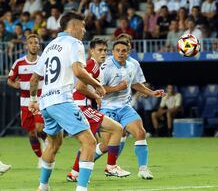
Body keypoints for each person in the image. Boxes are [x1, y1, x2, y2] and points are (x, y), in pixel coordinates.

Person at [29, 11, 105, 191]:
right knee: (89, 142)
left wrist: (33, 101)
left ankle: (43, 186)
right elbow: (78, 71)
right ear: (73, 26)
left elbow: (34, 79)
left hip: (46, 103)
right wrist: (98, 85)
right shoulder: (75, 43)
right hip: (62, 100)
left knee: (54, 144)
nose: (84, 30)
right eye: (83, 25)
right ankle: (81, 189)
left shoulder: (49, 46)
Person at [99, 38, 166, 180]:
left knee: (141, 133)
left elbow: (135, 84)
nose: (120, 53)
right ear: (113, 52)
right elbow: (99, 90)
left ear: (128, 52)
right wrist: (117, 88)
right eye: (117, 51)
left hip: (125, 107)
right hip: (107, 108)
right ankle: (79, 167)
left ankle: (143, 169)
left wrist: (152, 93)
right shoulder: (105, 67)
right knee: (105, 146)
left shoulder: (132, 65)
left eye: (124, 51)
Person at [66, 38, 130, 182]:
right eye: (99, 50)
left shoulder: (95, 66)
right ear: (92, 51)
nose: (103, 53)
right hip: (82, 106)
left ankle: (74, 173)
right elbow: (80, 87)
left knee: (90, 143)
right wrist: (97, 96)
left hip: (80, 106)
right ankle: (111, 167)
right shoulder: (92, 65)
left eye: (105, 51)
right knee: (117, 129)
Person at [7, 34, 47, 168]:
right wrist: (15, 85)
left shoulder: (44, 61)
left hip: (40, 101)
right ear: (27, 45)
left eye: (36, 42)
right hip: (25, 102)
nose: (34, 45)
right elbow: (10, 80)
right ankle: (41, 158)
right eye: (31, 43)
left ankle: (46, 146)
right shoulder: (19, 63)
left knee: (40, 128)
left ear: (39, 46)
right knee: (31, 133)